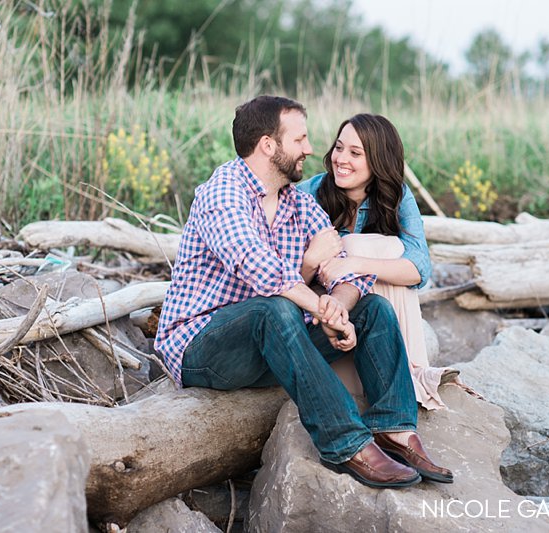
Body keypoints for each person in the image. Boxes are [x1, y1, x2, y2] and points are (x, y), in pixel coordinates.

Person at [155, 96, 452, 487]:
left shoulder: (298, 202)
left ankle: (393, 427)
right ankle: (346, 443)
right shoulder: (224, 192)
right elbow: (259, 269)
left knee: (373, 309)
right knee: (274, 309)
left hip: (271, 342)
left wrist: (339, 307)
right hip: (203, 347)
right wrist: (319, 305)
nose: (312, 150)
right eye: (300, 140)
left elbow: (348, 271)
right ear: (268, 145)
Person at [297, 113, 458, 410]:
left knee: (380, 247)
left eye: (355, 153)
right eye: (339, 147)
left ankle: (407, 377)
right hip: (326, 321)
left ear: (378, 161)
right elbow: (285, 275)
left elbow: (419, 268)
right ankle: (408, 378)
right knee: (365, 244)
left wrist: (354, 263)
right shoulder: (309, 193)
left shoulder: (396, 197)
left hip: (368, 317)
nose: (341, 159)